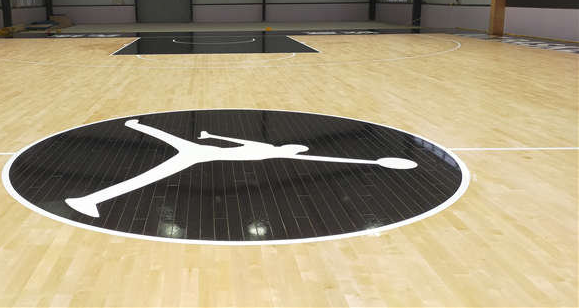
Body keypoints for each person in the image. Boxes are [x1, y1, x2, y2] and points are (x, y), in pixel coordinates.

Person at [65, 119, 416, 218]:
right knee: (152, 174)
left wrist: (210, 136)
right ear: (289, 148)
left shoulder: (276, 152)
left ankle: (135, 128)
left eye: (295, 149)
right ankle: (89, 199)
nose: (294, 150)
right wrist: (210, 137)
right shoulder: (270, 150)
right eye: (294, 148)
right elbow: (238, 144)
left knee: (162, 156)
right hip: (204, 154)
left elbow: (236, 141)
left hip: (205, 152)